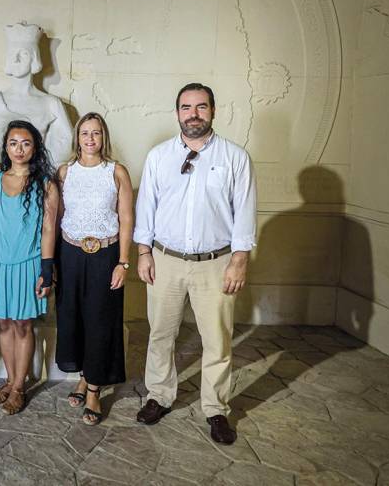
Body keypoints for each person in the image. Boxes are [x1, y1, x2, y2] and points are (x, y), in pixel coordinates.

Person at [134, 83, 257, 445]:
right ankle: (159, 395)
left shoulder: (235, 157)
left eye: (201, 107)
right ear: (177, 113)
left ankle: (216, 409)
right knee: (160, 334)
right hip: (165, 260)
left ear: (213, 111)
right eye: (186, 107)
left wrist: (239, 261)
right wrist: (143, 253)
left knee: (217, 340)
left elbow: (245, 213)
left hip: (215, 264)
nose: (193, 114)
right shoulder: (158, 157)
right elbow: (146, 210)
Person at [56, 112, 134, 426]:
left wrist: (123, 262)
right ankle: (84, 375)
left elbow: (127, 218)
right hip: (71, 253)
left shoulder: (116, 172)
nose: (90, 139)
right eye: (85, 133)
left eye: (96, 133)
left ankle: (94, 390)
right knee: (74, 319)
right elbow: (56, 217)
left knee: (101, 321)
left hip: (105, 253)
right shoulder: (64, 172)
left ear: (104, 138)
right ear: (77, 138)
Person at [0, 120, 59, 415]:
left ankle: (19, 388)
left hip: (27, 262)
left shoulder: (45, 184)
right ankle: (10, 380)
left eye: (25, 143)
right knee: (5, 324)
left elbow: (50, 229)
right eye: (13, 143)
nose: (19, 149)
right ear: (6, 147)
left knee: (23, 325)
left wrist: (46, 269)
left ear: (35, 147)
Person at [0, 23, 72, 173]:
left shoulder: (51, 104)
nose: (16, 59)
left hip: (38, 180)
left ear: (34, 58)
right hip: (4, 179)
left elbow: (65, 149)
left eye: (23, 54)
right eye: (12, 53)